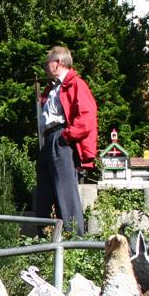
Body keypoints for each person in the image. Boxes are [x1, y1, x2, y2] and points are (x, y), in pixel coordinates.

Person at [35, 46, 98, 237]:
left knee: (65, 192)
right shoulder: (54, 87)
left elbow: (86, 117)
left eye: (48, 63)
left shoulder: (76, 84)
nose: (46, 67)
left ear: (57, 63)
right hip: (49, 140)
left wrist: (66, 137)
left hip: (60, 138)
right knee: (44, 192)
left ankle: (74, 240)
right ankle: (45, 237)